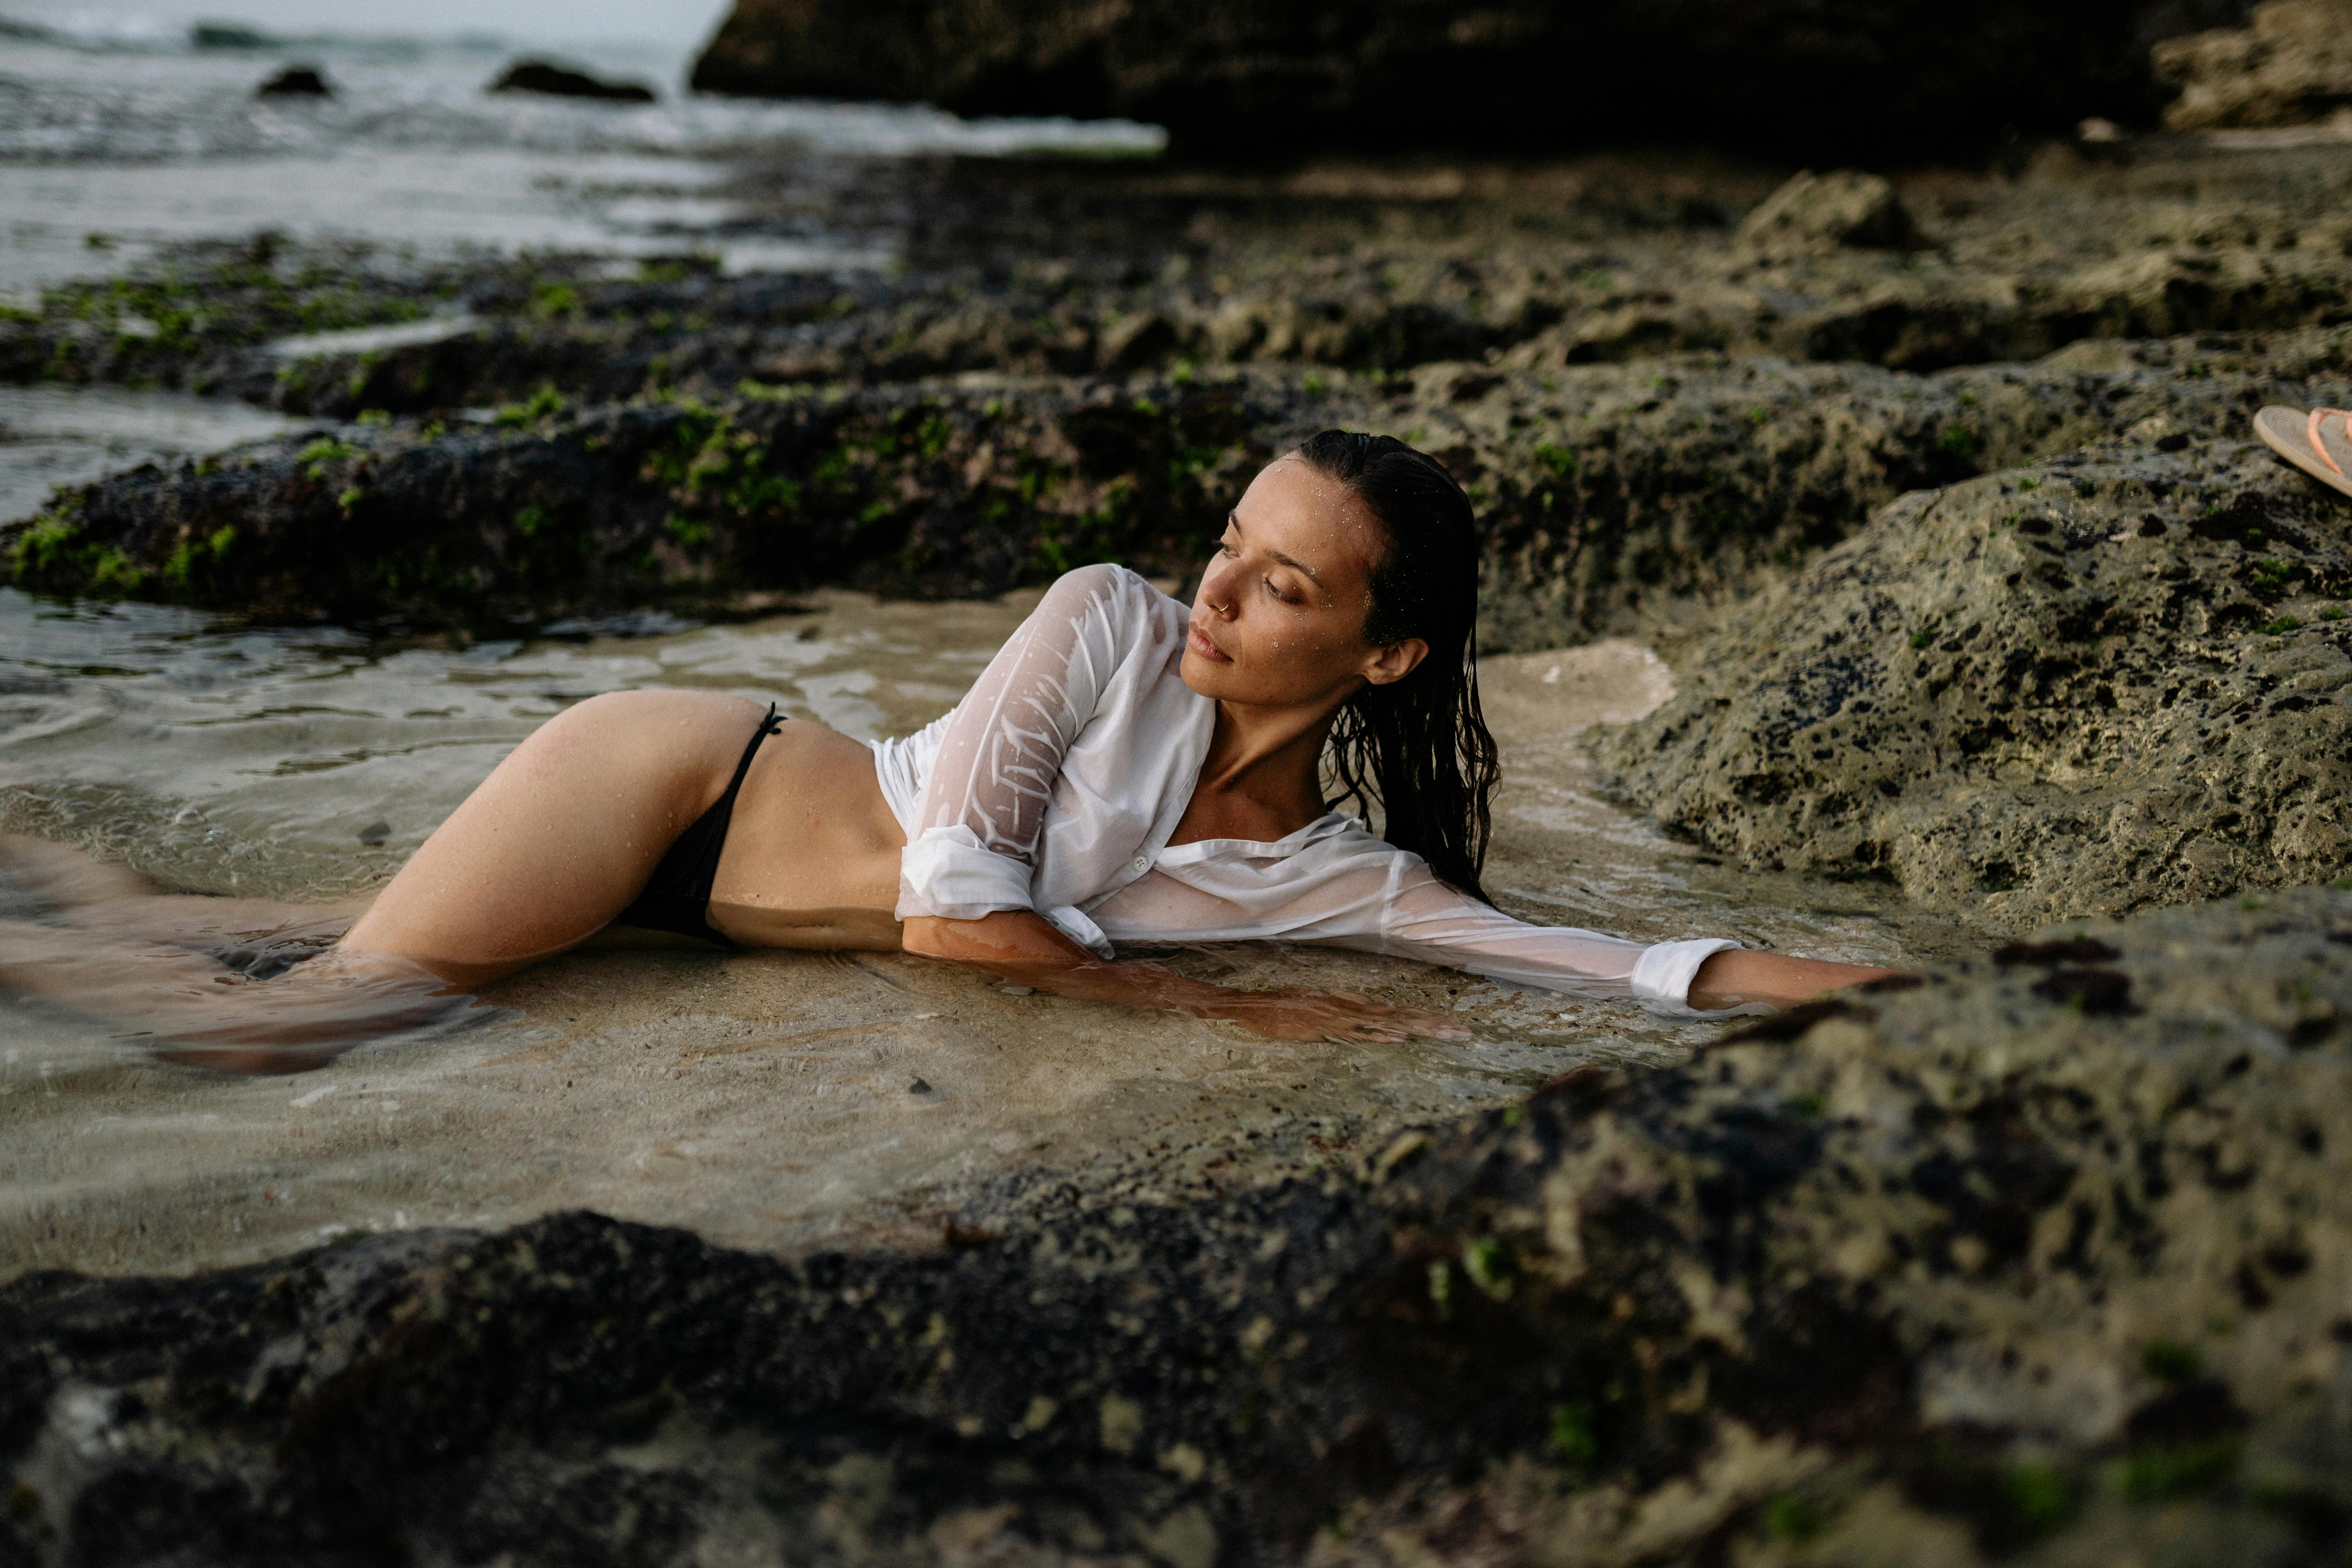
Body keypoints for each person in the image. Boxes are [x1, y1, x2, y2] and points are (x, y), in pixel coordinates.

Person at [0, 431, 1898, 1071]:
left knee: (234, 935)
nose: (1214, 591)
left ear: (1388, 653)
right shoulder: (1098, 618)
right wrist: (1235, 1020)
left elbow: (1620, 966)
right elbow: (951, 907)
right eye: (1226, 543)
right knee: (308, 1020)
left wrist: (1913, 994)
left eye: (1280, 583)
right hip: (679, 789)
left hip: (696, 920)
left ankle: (64, 875)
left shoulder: (1349, 881)